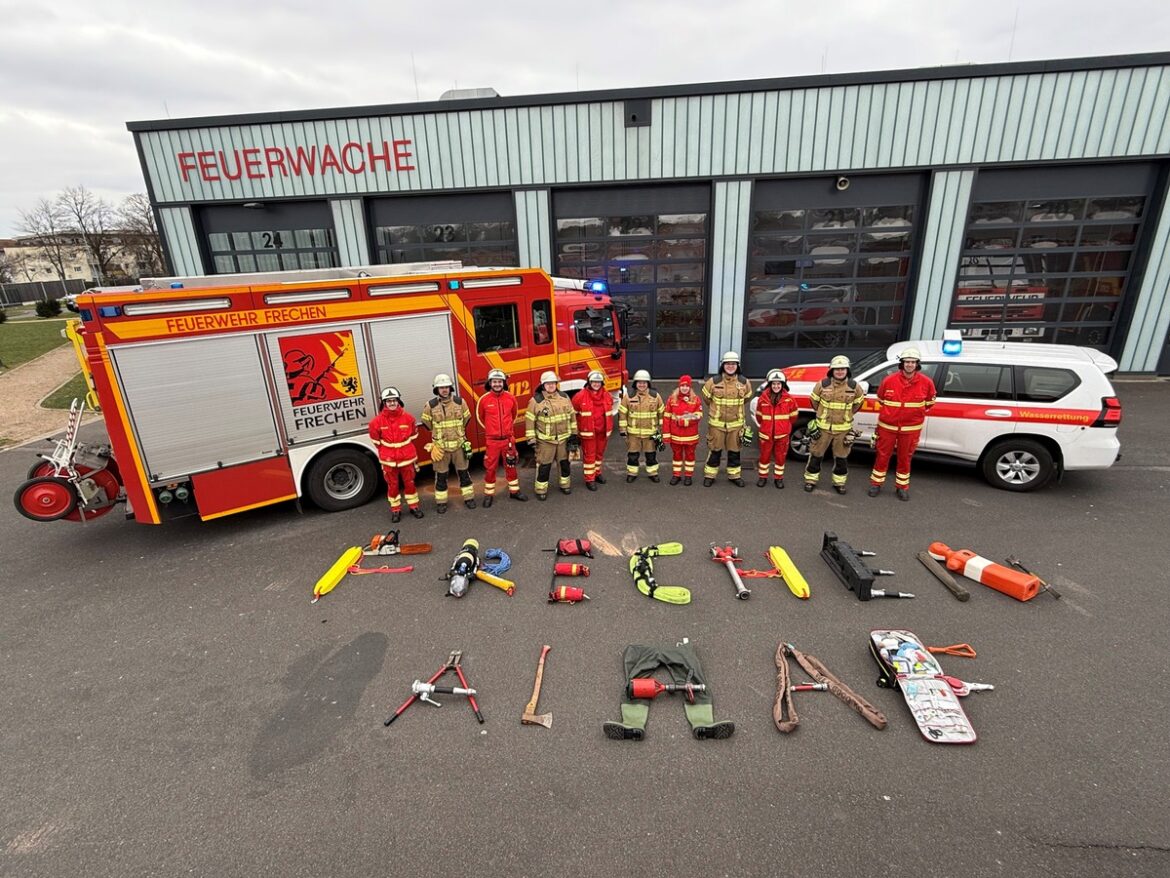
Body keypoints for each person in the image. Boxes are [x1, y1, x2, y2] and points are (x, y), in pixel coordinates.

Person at [868, 348, 937, 501]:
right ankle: (876, 484)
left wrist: (912, 415)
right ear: (902, 363)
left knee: (905, 458)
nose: (909, 365)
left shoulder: (927, 382)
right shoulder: (889, 380)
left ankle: (902, 487)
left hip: (911, 429)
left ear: (917, 364)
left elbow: (929, 403)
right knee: (882, 456)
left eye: (913, 362)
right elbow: (880, 398)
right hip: (887, 427)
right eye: (907, 362)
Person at [803, 355, 866, 495]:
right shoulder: (822, 384)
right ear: (831, 370)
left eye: (842, 369)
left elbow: (858, 404)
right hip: (823, 428)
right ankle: (810, 480)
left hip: (843, 429)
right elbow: (814, 402)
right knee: (816, 455)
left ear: (847, 370)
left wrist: (847, 415)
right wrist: (821, 415)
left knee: (841, 458)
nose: (839, 372)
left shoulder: (854, 386)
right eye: (836, 369)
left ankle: (839, 483)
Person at [421, 373, 475, 514]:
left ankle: (469, 498)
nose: (444, 390)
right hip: (440, 449)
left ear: (450, 388)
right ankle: (441, 502)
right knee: (441, 477)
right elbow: (427, 424)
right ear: (436, 389)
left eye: (446, 387)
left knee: (464, 474)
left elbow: (466, 419)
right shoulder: (430, 405)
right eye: (441, 388)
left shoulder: (460, 402)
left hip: (458, 446)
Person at [368, 386, 424, 522]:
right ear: (384, 403)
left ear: (398, 401)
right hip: (389, 460)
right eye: (389, 401)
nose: (392, 403)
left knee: (410, 483)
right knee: (392, 485)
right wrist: (388, 451)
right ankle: (396, 510)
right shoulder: (376, 422)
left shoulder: (408, 418)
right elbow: (376, 441)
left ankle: (414, 506)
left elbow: (414, 435)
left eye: (394, 400)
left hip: (407, 458)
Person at [475, 368, 527, 506]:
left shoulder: (511, 398)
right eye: (494, 382)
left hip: (508, 440)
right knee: (490, 468)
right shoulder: (484, 400)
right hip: (492, 441)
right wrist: (493, 431)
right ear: (490, 383)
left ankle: (514, 491)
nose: (497, 384)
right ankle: (488, 495)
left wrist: (507, 431)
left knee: (511, 465)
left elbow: (514, 415)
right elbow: (480, 418)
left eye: (499, 381)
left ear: (504, 383)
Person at [701, 351, 753, 487]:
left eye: (733, 364)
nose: (730, 366)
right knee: (715, 451)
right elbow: (706, 399)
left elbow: (746, 398)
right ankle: (710, 475)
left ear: (738, 366)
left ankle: (734, 476)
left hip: (736, 425)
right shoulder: (713, 382)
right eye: (728, 364)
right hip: (716, 424)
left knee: (734, 452)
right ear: (723, 365)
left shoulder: (744, 382)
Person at [525, 370, 577, 500]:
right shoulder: (536, 401)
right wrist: (531, 439)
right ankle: (541, 490)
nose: (551, 386)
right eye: (548, 384)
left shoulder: (565, 397)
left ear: (556, 384)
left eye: (553, 383)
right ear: (543, 385)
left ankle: (565, 485)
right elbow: (530, 420)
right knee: (544, 466)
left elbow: (572, 417)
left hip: (563, 439)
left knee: (564, 464)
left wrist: (574, 435)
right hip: (545, 442)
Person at [750, 369, 798, 488]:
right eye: (774, 384)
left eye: (778, 384)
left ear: (783, 385)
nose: (776, 386)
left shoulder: (789, 399)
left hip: (782, 435)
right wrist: (766, 427)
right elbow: (759, 416)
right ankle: (763, 477)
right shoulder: (763, 399)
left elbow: (793, 417)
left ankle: (778, 478)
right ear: (770, 385)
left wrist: (784, 427)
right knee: (764, 457)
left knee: (780, 458)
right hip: (766, 434)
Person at [618, 369, 665, 482]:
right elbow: (622, 414)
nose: (642, 385)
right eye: (639, 382)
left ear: (648, 383)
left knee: (651, 456)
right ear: (635, 383)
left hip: (651, 433)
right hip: (633, 434)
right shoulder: (628, 396)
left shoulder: (655, 396)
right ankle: (632, 473)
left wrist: (662, 431)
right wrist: (623, 430)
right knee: (633, 456)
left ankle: (653, 473)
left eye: (644, 382)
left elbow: (662, 413)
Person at [572, 369, 614, 491]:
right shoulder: (579, 396)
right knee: (589, 456)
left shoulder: (607, 395)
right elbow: (573, 416)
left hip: (602, 432)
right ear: (589, 382)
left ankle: (597, 473)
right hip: (588, 433)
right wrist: (574, 433)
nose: (596, 384)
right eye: (594, 382)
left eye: (598, 382)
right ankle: (589, 479)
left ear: (602, 383)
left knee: (599, 455)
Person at [662, 375, 702, 485]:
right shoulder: (672, 399)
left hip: (690, 435)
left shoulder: (695, 399)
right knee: (676, 455)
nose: (684, 388)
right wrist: (666, 434)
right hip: (675, 435)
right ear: (679, 386)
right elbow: (666, 418)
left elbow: (698, 416)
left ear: (690, 387)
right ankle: (676, 475)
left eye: (687, 386)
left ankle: (688, 476)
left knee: (690, 455)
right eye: (682, 385)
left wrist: (684, 421)